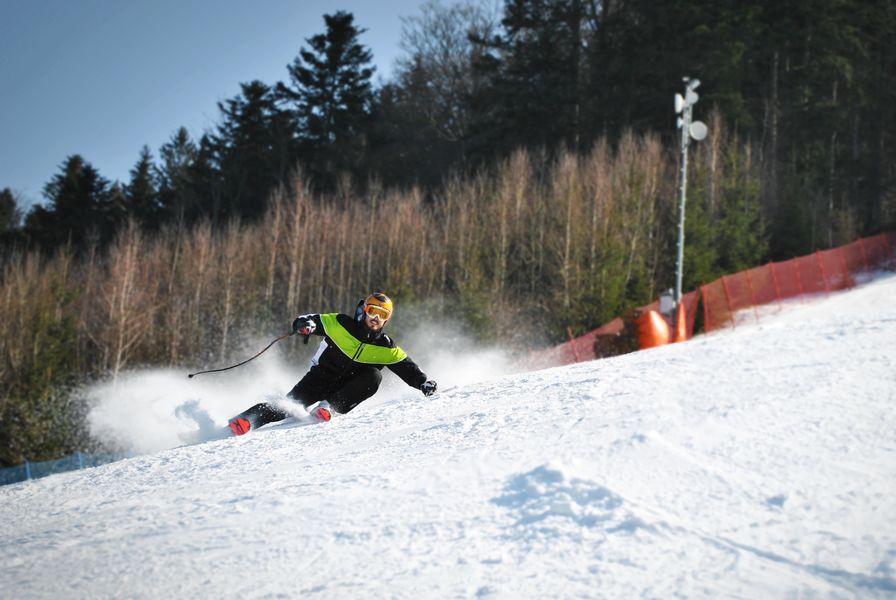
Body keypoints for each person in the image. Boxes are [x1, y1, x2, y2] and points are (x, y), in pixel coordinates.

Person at [227, 292, 437, 435]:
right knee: (288, 405)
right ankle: (245, 421)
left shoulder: (385, 346)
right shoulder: (339, 323)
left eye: (382, 315)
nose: (376, 318)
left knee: (374, 376)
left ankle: (330, 408)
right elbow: (312, 320)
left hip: (347, 390)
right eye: (373, 311)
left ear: (386, 320)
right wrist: (305, 324)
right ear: (364, 310)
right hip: (319, 379)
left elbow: (406, 366)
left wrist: (423, 383)